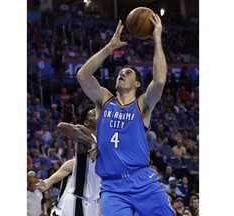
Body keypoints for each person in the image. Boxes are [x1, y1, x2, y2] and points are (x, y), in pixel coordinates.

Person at [77, 16, 175, 215]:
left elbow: (159, 81)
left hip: (142, 181)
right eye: (120, 72)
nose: (122, 74)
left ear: (138, 84)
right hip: (112, 188)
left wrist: (157, 39)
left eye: (128, 73)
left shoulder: (142, 105)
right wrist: (110, 47)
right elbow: (83, 76)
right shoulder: (104, 100)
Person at [36, 107, 101, 216]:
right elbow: (62, 126)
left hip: (92, 202)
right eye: (94, 113)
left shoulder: (104, 141)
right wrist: (91, 142)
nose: (98, 114)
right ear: (86, 122)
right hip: (79, 200)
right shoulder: (85, 132)